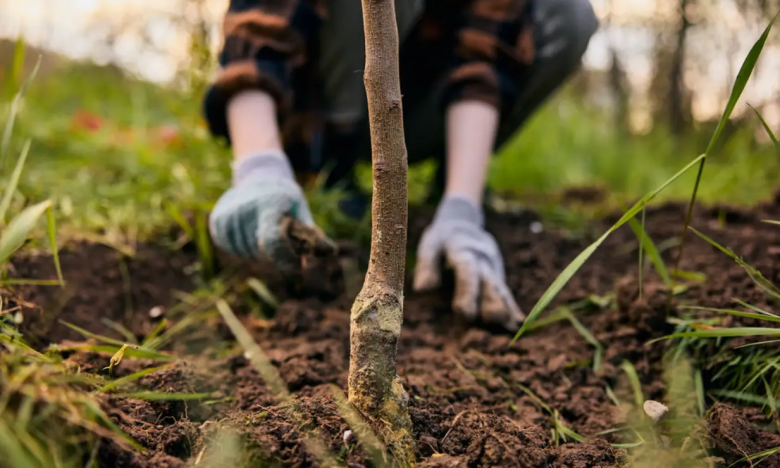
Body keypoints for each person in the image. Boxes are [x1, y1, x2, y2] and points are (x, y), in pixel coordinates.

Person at [204, 0, 598, 330]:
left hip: (416, 100)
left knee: (568, 13)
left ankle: (453, 188)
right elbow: (258, 30)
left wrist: (462, 207)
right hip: (317, 102)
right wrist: (260, 165)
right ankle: (327, 174)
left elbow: (484, 53)